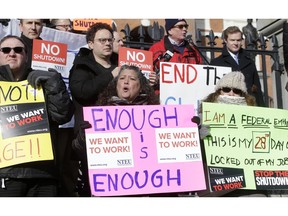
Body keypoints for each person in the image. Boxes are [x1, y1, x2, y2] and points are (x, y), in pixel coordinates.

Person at [0, 35, 74, 197]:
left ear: (26, 56)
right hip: (6, 174)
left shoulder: (44, 81)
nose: (12, 53)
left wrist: (55, 84)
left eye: (18, 50)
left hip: (44, 173)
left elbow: (63, 115)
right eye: (6, 50)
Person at [71, 64, 159, 196]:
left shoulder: (155, 114)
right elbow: (78, 151)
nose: (126, 81)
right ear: (115, 85)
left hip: (145, 187)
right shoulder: (101, 113)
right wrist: (84, 136)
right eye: (122, 78)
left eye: (132, 79)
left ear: (141, 87)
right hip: (112, 187)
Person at [196, 71, 268, 197]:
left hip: (248, 183)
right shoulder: (204, 116)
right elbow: (195, 154)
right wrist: (201, 136)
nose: (231, 93)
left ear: (243, 94)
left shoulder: (254, 117)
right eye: (226, 89)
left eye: (236, 91)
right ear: (219, 91)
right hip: (217, 182)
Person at [69, 22, 120, 196]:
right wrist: (110, 75)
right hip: (92, 137)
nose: (107, 43)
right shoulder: (82, 66)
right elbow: (82, 92)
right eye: (102, 40)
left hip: (118, 135)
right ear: (90, 44)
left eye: (110, 40)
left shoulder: (119, 65)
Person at [210, 26, 265, 107]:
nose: (236, 43)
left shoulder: (250, 62)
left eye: (238, 40)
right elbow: (213, 91)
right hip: (226, 106)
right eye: (232, 40)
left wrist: (262, 109)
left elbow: (258, 90)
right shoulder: (216, 63)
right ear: (225, 40)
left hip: (248, 106)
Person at [149, 19, 203, 93]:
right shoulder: (156, 49)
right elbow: (148, 74)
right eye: (180, 26)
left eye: (185, 26)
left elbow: (200, 74)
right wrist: (153, 79)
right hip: (164, 95)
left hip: (188, 95)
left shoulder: (193, 50)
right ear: (170, 30)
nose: (184, 29)